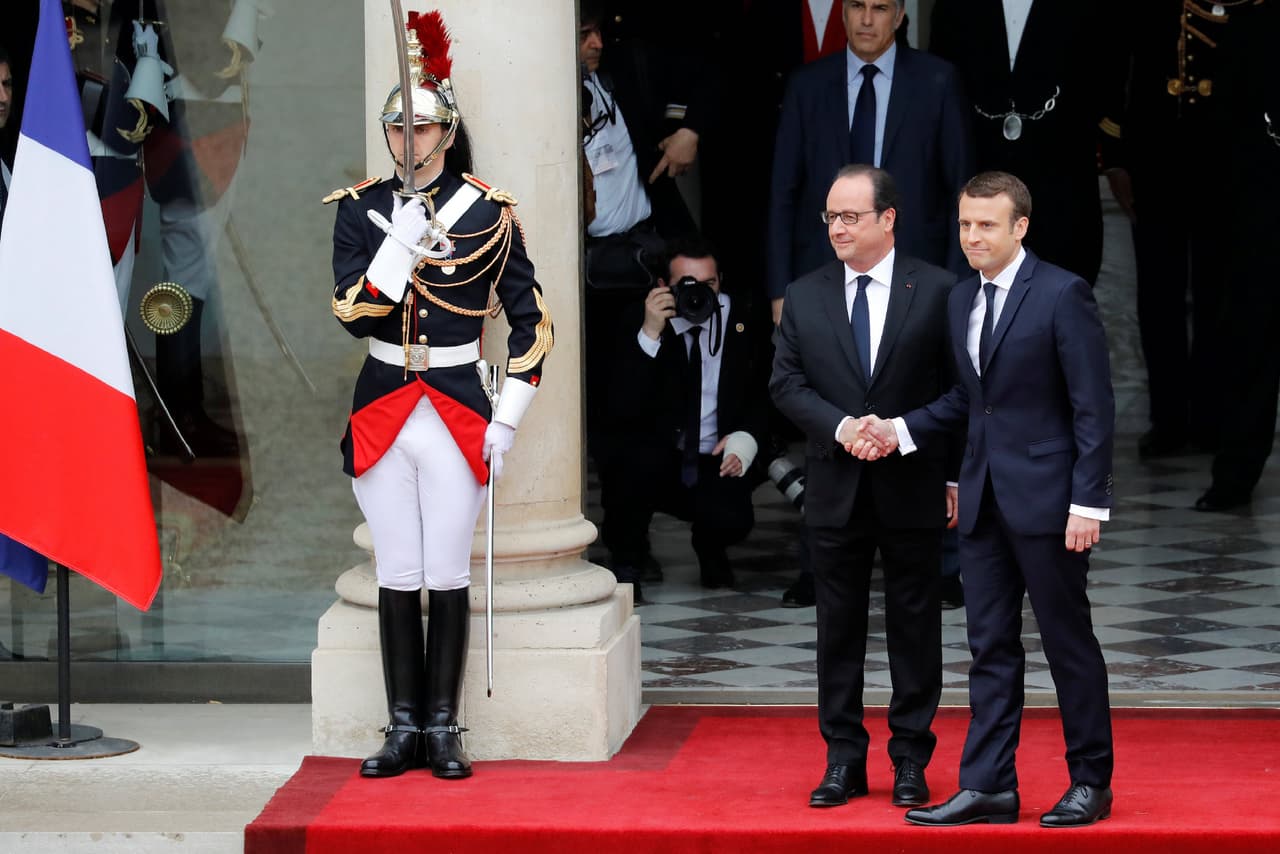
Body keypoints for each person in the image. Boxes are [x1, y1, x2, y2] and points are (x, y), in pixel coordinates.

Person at [327, 10, 553, 780]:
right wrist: (397, 246)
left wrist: (510, 419)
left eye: (424, 130)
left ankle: (446, 728)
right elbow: (353, 313)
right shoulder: (359, 210)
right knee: (397, 569)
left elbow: (533, 325)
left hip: (458, 403)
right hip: (383, 396)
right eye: (399, 130)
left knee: (447, 570)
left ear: (446, 134)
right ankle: (402, 727)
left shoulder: (489, 211)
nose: (410, 142)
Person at [853, 171, 1115, 828]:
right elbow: (969, 402)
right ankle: (990, 785)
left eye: (988, 225)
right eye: (966, 224)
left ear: (1020, 226)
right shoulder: (961, 297)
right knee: (989, 646)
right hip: (981, 503)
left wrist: (1089, 502)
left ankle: (1091, 782)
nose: (973, 236)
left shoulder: (1063, 294)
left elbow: (1093, 409)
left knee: (1067, 645)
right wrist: (901, 431)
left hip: (1052, 505)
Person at [770, 165, 958, 809]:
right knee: (837, 629)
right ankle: (842, 759)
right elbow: (786, 384)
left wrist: (948, 467)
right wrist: (844, 426)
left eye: (851, 216)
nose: (838, 228)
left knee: (915, 626)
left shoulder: (937, 289)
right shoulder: (805, 292)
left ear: (889, 219)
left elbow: (960, 387)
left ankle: (910, 758)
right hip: (835, 487)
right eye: (831, 217)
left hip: (912, 481)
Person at [767, 0, 973, 328]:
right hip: (822, 270)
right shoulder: (806, 86)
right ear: (843, 12)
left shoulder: (938, 81)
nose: (866, 19)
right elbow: (783, 193)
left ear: (899, 16)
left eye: (879, 8)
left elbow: (961, 192)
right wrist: (780, 291)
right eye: (856, 6)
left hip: (916, 272)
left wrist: (957, 288)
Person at [599, 236, 771, 601]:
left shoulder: (743, 319)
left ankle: (711, 546)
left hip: (715, 456)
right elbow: (619, 406)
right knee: (624, 459)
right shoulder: (640, 318)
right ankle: (629, 558)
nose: (700, 295)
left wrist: (747, 436)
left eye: (709, 284)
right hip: (657, 454)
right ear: (664, 286)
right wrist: (649, 333)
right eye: (687, 286)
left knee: (734, 517)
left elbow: (767, 391)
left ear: (720, 281)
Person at [928, 0, 1127, 287]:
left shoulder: (1090, 8)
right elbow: (944, 88)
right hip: (979, 188)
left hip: (1062, 195)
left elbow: (1106, 84)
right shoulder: (954, 7)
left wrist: (1114, 157)